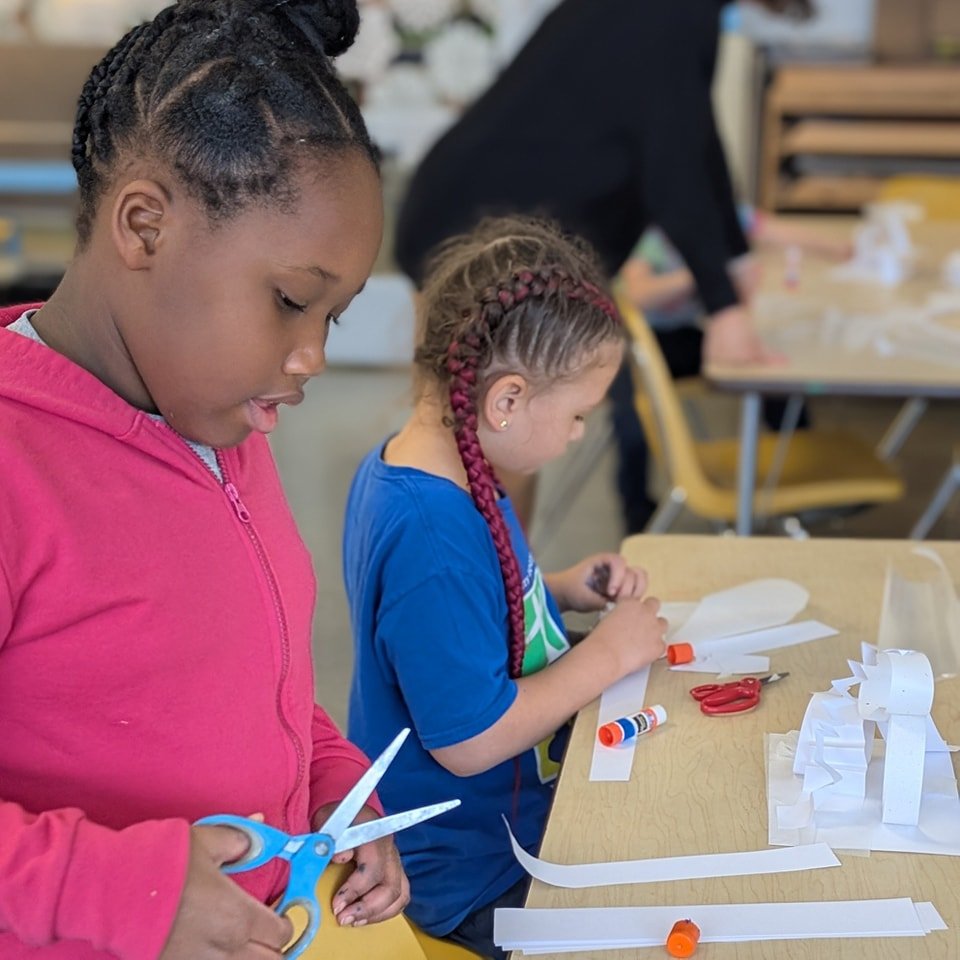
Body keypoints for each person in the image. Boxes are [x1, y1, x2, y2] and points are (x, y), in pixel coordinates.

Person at [0, 2, 408, 958]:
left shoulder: (216, 417)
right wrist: (124, 891)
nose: (309, 356)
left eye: (332, 320)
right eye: (290, 302)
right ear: (144, 225)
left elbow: (249, 684)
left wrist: (335, 789)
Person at [343, 215, 669, 959]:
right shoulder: (433, 530)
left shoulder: (437, 469)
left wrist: (557, 589)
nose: (581, 433)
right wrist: (607, 657)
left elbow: (454, 622)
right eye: (579, 414)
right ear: (507, 401)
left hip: (495, 832)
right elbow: (469, 737)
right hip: (469, 872)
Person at [392, 0, 814, 533]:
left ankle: (507, 596)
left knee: (489, 440)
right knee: (489, 439)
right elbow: (674, 159)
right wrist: (723, 305)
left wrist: (733, 255)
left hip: (464, 212)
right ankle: (496, 602)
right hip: (474, 229)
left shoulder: (676, 15)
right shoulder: (674, 14)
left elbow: (697, 140)